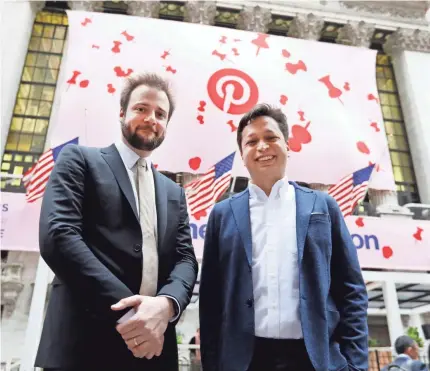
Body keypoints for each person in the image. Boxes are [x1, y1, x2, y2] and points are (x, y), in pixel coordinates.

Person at [35, 73, 198, 371]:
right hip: (83, 346)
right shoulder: (80, 160)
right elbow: (59, 236)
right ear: (122, 112)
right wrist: (134, 313)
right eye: (141, 109)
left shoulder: (174, 192)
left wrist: (167, 304)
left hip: (152, 351)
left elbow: (185, 258)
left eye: (160, 114)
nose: (151, 118)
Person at [199, 103, 368, 371]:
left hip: (314, 358)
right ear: (242, 154)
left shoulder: (323, 206)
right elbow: (210, 299)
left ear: (287, 145)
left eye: (271, 138)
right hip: (245, 360)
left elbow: (352, 290)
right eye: (251, 141)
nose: (262, 146)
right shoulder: (222, 214)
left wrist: (356, 365)